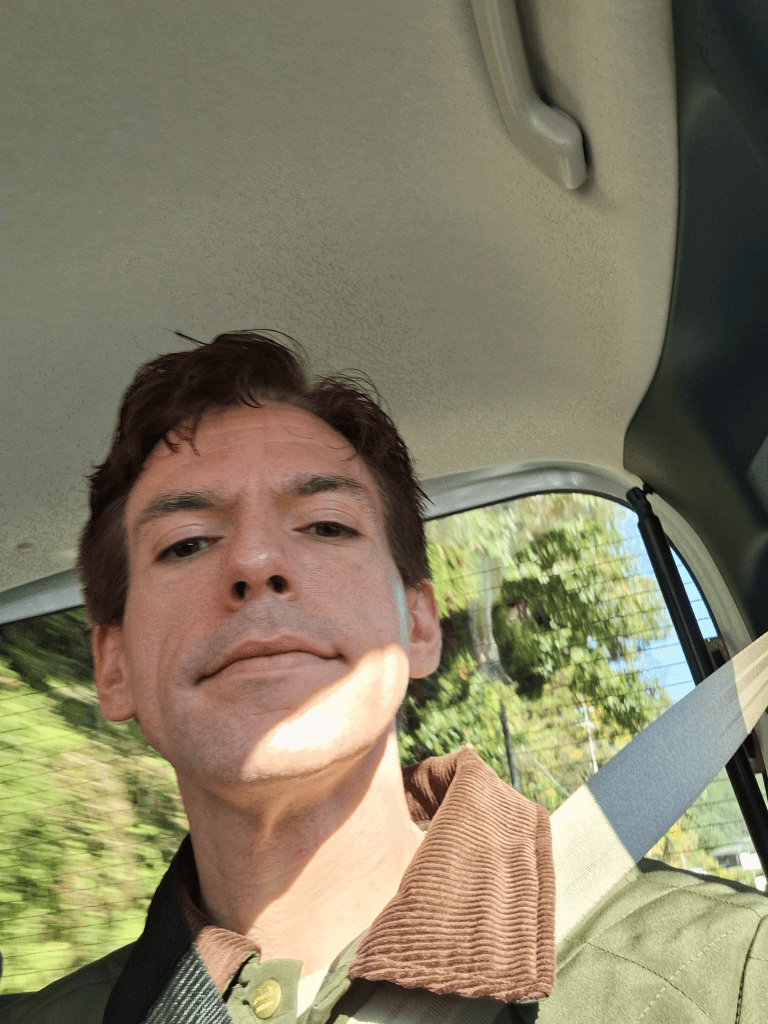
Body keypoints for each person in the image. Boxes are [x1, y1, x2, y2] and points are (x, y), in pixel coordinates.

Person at [3, 331, 767, 1024]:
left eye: (326, 526)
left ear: (420, 625)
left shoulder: (733, 978)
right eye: (187, 542)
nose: (256, 562)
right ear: (112, 666)